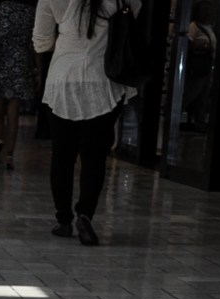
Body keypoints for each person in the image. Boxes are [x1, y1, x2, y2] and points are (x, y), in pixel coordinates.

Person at [33, 0, 141, 245]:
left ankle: (63, 220)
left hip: (63, 81)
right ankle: (85, 214)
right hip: (103, 84)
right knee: (94, 158)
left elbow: (41, 42)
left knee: (62, 156)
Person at [0, 0, 38, 171]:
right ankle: (9, 156)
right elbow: (35, 41)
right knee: (13, 113)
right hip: (21, 61)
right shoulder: (31, 11)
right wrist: (39, 70)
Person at [182, 0, 216, 133]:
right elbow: (186, 44)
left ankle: (199, 123)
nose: (208, 13)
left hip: (205, 67)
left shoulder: (209, 27)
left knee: (202, 95)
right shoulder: (194, 26)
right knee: (191, 93)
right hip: (197, 67)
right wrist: (201, 46)